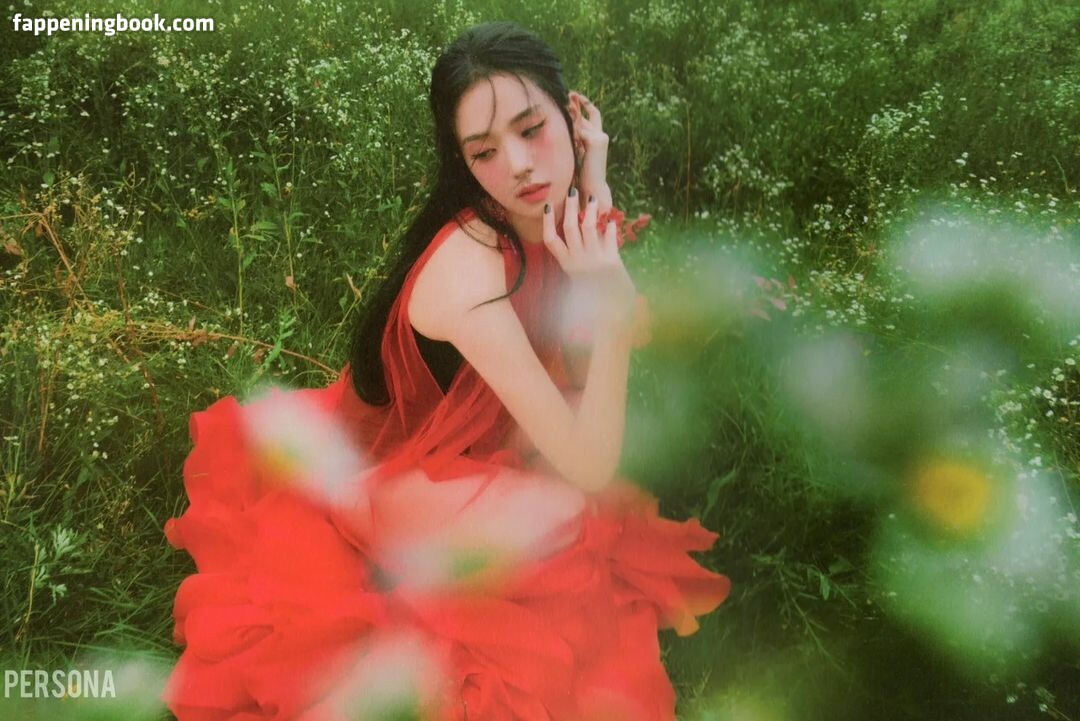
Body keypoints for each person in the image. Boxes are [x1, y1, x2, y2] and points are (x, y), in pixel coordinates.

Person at [164, 21, 730, 721]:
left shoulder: (546, 210)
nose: (519, 165)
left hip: (478, 450)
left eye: (533, 129)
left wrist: (593, 180)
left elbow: (579, 367)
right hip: (397, 473)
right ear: (463, 162)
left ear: (570, 118)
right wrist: (612, 312)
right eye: (485, 151)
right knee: (571, 512)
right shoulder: (472, 273)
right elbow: (590, 459)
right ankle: (367, 535)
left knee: (579, 501)